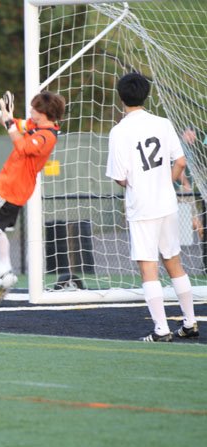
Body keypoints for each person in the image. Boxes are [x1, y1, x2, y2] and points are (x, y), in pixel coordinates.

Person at [106, 72, 199, 342]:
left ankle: (161, 329)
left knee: (148, 267)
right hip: (167, 203)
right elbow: (180, 162)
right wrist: (164, 182)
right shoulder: (163, 122)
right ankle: (190, 322)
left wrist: (140, 182)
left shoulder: (119, 131)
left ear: (122, 97)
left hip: (142, 207)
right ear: (146, 95)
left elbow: (120, 176)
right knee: (174, 262)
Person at [0, 81, 65, 308]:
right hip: (12, 186)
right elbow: (12, 123)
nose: (31, 111)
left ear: (44, 113)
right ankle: (5, 273)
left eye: (34, 108)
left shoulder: (46, 136)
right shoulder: (37, 127)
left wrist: (8, 119)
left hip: (10, 187)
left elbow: (23, 146)